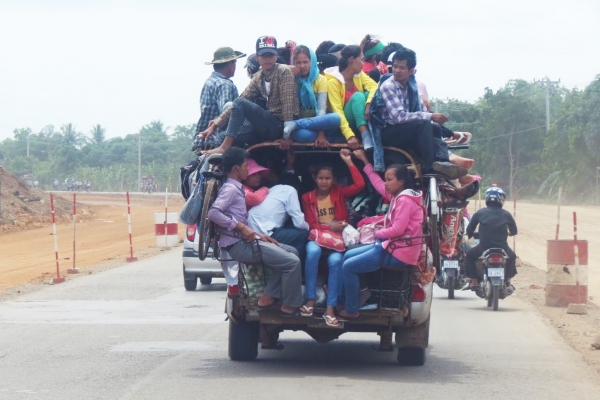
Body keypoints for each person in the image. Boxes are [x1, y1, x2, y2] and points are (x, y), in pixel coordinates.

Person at [207, 147, 303, 316]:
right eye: (246, 166)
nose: (247, 169)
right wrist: (241, 227)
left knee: (292, 251)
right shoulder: (230, 189)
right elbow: (213, 213)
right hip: (238, 245)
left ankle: (268, 295)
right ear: (237, 168)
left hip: (246, 240)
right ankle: (289, 305)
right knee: (292, 263)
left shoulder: (237, 188)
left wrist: (259, 235)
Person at [338, 149, 424, 321]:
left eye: (389, 180)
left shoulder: (404, 201)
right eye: (386, 179)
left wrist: (377, 232)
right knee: (347, 254)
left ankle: (351, 308)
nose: (386, 183)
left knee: (348, 266)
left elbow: (398, 230)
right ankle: (359, 294)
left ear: (400, 181)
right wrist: (365, 162)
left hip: (397, 251)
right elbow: (377, 183)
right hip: (391, 246)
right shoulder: (397, 196)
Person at [200, 36, 299, 154]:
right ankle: (221, 166)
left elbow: (288, 106)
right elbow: (243, 97)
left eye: (271, 55)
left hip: (279, 125)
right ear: (257, 57)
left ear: (276, 56)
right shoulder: (259, 76)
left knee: (239, 103)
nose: (268, 59)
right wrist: (215, 125)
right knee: (220, 138)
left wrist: (288, 136)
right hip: (265, 126)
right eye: (264, 56)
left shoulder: (284, 72)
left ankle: (225, 147)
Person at [300, 149, 365, 326]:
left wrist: (349, 162)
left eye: (328, 178)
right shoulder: (308, 197)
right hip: (318, 236)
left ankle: (331, 307)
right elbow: (311, 224)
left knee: (336, 262)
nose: (324, 181)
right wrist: (330, 226)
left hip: (337, 239)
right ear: (315, 178)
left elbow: (359, 185)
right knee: (312, 253)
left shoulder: (338, 192)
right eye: (321, 178)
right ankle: (311, 299)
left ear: (333, 180)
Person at [380, 49, 467, 179]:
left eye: (402, 68)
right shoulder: (388, 86)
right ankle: (430, 167)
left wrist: (433, 118)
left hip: (407, 129)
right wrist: (431, 116)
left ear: (411, 71)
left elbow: (422, 111)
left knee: (435, 128)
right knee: (424, 124)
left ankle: (442, 161)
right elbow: (398, 117)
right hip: (390, 131)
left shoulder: (413, 87)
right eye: (395, 66)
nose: (397, 70)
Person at [282, 45, 342, 148]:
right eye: (298, 63)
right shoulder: (291, 80)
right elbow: (288, 108)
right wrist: (286, 68)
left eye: (305, 62)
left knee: (336, 118)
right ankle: (330, 139)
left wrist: (321, 134)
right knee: (303, 135)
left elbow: (321, 109)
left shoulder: (321, 80)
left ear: (312, 62)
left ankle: (295, 124)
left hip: (319, 123)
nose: (302, 66)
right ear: (293, 64)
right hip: (304, 129)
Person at [325, 45, 378, 150]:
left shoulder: (359, 75)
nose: (363, 63)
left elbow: (375, 87)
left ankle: (374, 131)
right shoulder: (333, 82)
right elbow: (338, 111)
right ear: (351, 60)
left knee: (369, 95)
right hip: (343, 124)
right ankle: (365, 135)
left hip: (360, 116)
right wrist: (350, 135)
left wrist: (368, 104)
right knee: (358, 96)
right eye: (361, 59)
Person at [464, 186, 518, 289]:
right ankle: (507, 280)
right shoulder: (506, 214)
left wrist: (470, 235)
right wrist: (510, 233)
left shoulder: (480, 213)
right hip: (503, 248)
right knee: (512, 257)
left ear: (487, 198)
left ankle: (474, 281)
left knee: (469, 256)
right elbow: (514, 231)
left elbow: (470, 229)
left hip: (484, 247)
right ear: (501, 199)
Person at [248, 173, 310, 259]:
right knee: (304, 234)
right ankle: (295, 261)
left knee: (291, 229)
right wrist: (310, 228)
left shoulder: (272, 189)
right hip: (266, 234)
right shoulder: (290, 190)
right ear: (297, 188)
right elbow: (299, 224)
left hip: (253, 231)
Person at [195, 46, 246, 137]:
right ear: (230, 65)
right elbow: (227, 112)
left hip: (203, 137)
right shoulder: (224, 85)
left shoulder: (210, 81)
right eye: (234, 63)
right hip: (215, 138)